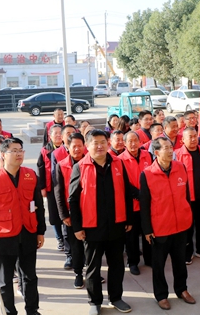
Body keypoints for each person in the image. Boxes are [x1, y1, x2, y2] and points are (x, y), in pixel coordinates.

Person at [0, 137, 46, 315]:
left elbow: (38, 205)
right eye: (13, 150)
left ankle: (32, 310)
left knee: (29, 277)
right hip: (3, 236)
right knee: (5, 280)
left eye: (20, 150)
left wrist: (40, 231)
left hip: (28, 232)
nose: (18, 153)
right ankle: (9, 311)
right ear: (2, 155)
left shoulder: (30, 175)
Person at [68, 130, 133, 315]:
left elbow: (127, 192)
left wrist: (128, 218)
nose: (99, 146)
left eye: (103, 142)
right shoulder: (80, 167)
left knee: (117, 265)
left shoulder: (118, 164)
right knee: (93, 267)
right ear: (87, 146)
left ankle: (116, 298)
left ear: (108, 143)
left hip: (116, 224)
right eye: (95, 143)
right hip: (91, 227)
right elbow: (72, 200)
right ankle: (94, 301)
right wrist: (77, 227)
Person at [140, 137, 196, 310]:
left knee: (180, 262)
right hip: (160, 228)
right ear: (156, 153)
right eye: (165, 148)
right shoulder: (147, 174)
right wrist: (147, 229)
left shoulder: (181, 167)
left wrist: (188, 216)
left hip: (181, 225)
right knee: (159, 265)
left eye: (171, 147)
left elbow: (186, 196)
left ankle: (182, 290)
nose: (170, 150)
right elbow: (144, 205)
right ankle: (161, 295)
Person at [175, 127, 200, 264]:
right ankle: (188, 251)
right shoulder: (177, 154)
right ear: (182, 140)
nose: (193, 139)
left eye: (195, 136)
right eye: (189, 137)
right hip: (186, 198)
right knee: (188, 226)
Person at [54, 132, 87, 288]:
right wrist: (63, 215)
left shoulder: (90, 161)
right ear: (67, 147)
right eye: (73, 146)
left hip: (90, 210)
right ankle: (79, 274)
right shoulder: (61, 165)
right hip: (72, 213)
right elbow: (58, 192)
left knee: (91, 245)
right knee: (76, 246)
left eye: (80, 145)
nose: (77, 149)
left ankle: (94, 272)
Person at [118, 131, 153, 275]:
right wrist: (138, 195)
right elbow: (123, 183)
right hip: (130, 204)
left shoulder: (148, 155)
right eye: (130, 141)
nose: (133, 144)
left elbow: (152, 174)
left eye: (135, 141)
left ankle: (150, 259)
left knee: (148, 232)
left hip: (148, 202)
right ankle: (133, 262)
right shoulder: (119, 160)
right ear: (124, 143)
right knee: (131, 236)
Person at [37, 124, 65, 252]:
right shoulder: (45, 150)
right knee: (54, 215)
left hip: (65, 187)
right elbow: (41, 169)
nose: (58, 135)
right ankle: (59, 239)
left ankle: (66, 238)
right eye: (56, 133)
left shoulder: (67, 149)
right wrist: (42, 187)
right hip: (51, 188)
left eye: (61, 133)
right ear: (50, 136)